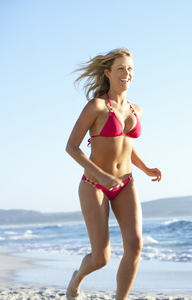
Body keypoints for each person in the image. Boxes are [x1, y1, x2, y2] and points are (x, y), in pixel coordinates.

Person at [65, 48, 162, 300]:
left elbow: (125, 146)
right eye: (120, 68)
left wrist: (145, 167)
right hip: (94, 184)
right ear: (108, 73)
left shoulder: (136, 110)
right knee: (101, 258)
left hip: (125, 183)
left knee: (135, 245)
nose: (126, 73)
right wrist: (102, 176)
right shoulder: (96, 106)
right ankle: (76, 279)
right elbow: (72, 147)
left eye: (130, 68)